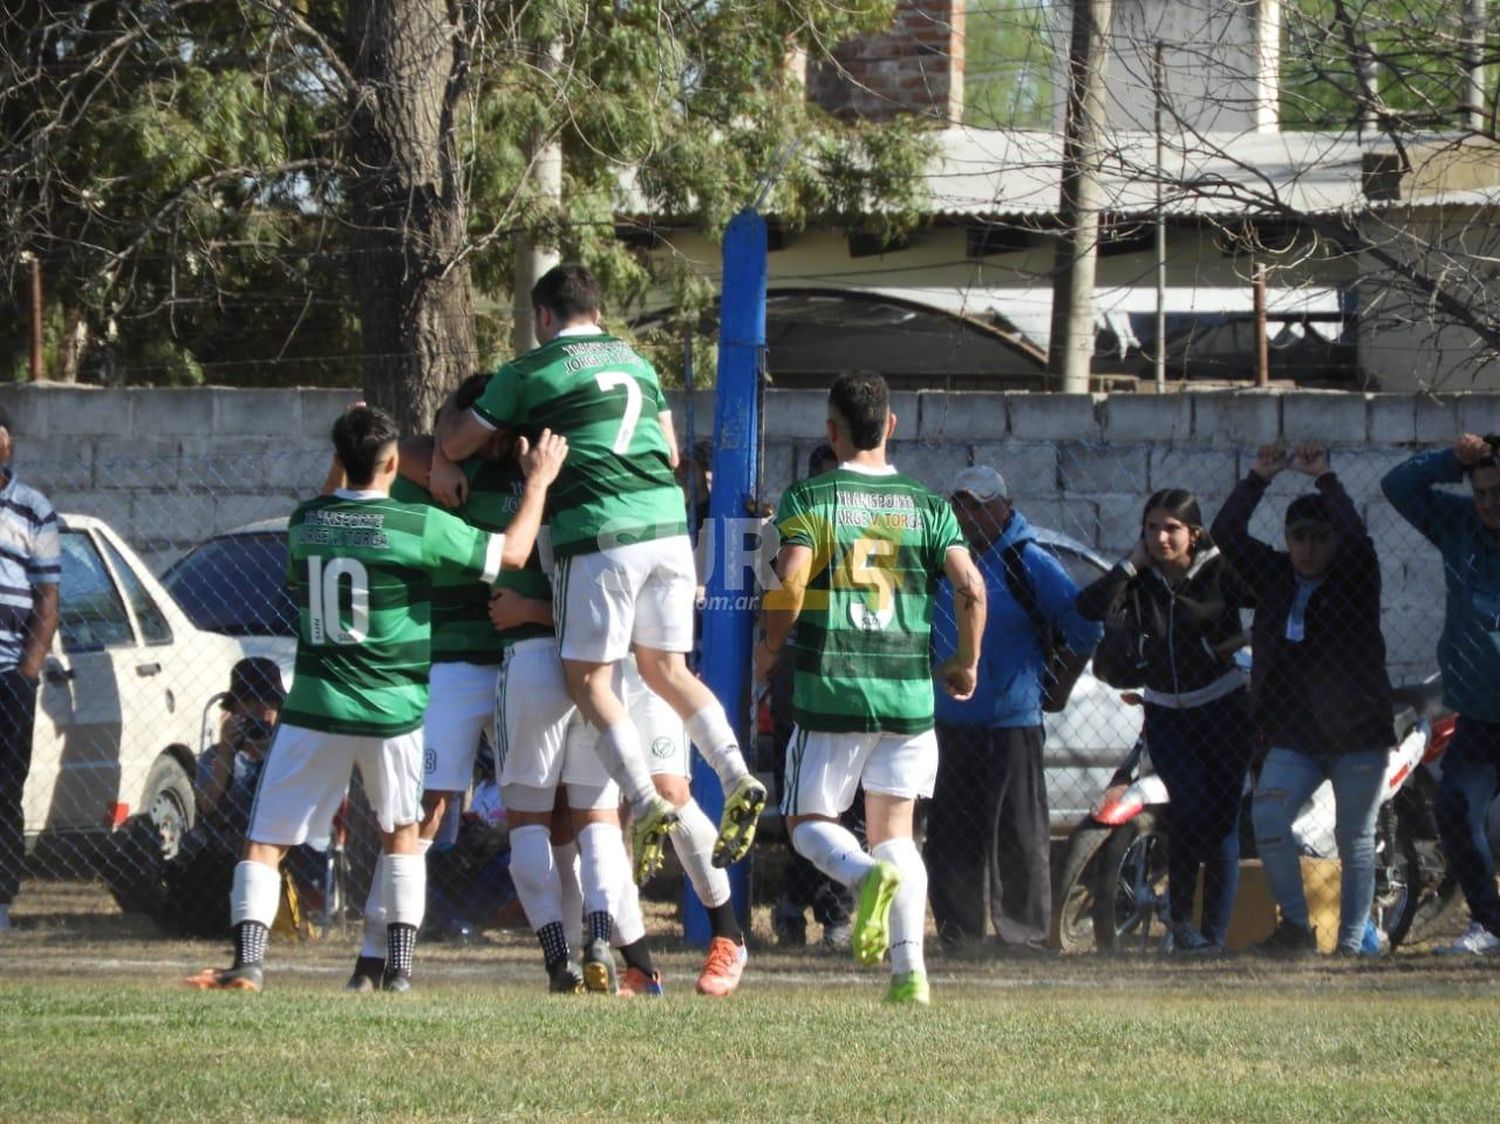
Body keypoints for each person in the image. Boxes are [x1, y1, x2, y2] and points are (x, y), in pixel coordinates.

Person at [187, 405, 566, 992]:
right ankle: (400, 970)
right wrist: (537, 481)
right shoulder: (412, 525)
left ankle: (248, 963)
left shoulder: (305, 521)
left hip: (316, 707)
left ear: (339, 462)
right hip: (391, 710)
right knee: (401, 834)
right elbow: (511, 555)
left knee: (265, 842)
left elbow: (324, 515)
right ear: (392, 463)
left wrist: (342, 457)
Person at [439, 263, 766, 880]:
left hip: (601, 531)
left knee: (588, 680)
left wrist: (441, 429)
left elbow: (457, 443)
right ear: (596, 308)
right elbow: (670, 452)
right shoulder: (639, 361)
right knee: (666, 670)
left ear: (541, 317)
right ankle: (736, 772)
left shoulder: (529, 370)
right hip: (668, 528)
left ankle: (644, 804)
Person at [756, 371, 985, 1005]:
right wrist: (966, 660)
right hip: (908, 695)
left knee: (806, 824)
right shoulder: (929, 504)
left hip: (834, 688)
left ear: (831, 431)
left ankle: (863, 878)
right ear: (890, 426)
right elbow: (972, 587)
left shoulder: (811, 497)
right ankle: (910, 973)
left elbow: (793, 586)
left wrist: (770, 647)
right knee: (896, 832)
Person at [342, 374, 551, 990]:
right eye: (465, 434)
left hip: (527, 657)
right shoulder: (426, 467)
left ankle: (571, 955)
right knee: (425, 814)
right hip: (456, 663)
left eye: (491, 434)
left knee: (549, 813)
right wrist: (432, 457)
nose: (479, 445)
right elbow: (364, 462)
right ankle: (374, 956)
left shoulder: (535, 467)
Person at [1213, 443, 1395, 957]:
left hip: (1357, 732)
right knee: (1268, 818)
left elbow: (1358, 538)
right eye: (1299, 538)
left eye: (1319, 538)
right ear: (1287, 541)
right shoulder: (1274, 575)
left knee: (1355, 835)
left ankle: (1354, 942)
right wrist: (1257, 478)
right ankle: (1296, 928)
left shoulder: (1356, 577)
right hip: (1295, 734)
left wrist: (1326, 478)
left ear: (1333, 542)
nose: (1309, 549)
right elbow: (1226, 533)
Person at [926, 464, 1101, 955]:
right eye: (959, 505)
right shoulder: (940, 561)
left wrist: (1056, 686)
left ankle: (1023, 936)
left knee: (1018, 835)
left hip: (1011, 723)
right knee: (951, 834)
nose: (967, 515)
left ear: (1003, 508)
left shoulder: (1030, 563)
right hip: (949, 723)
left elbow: (1083, 626)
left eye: (978, 505)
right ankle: (960, 934)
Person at [1076, 488, 1253, 955]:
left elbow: (1263, 597)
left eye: (1171, 528)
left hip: (1223, 709)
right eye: (1151, 528)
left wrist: (1231, 646)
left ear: (1193, 533)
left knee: (1222, 826)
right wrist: (1131, 564)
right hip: (1167, 713)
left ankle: (1211, 938)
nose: (1160, 537)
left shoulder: (1219, 571)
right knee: (1189, 808)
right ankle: (1180, 923)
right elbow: (1089, 607)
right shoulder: (1140, 578)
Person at [1383, 432, 1500, 956]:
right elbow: (1398, 486)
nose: (1490, 503)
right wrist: (1452, 460)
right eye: (1481, 492)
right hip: (1480, 714)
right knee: (1455, 809)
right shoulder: (1459, 525)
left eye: (1499, 492)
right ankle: (1491, 924)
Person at [769, 443, 856, 949]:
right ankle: (796, 899)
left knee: (850, 808)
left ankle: (836, 909)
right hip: (801, 672)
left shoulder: (872, 530)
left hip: (851, 674)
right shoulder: (794, 527)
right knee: (799, 801)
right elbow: (776, 594)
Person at [0, 406, 60, 934]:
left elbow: (47, 600)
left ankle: (0, 905)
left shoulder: (33, 510)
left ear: (6, 443)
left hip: (7, 678)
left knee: (3, 790)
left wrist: (26, 672)